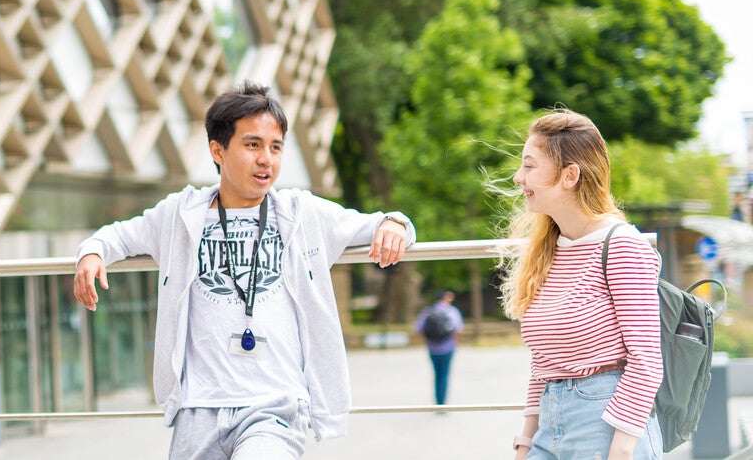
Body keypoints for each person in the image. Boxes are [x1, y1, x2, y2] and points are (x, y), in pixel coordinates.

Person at [72, 82, 416, 459]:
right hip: (198, 407)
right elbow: (118, 236)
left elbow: (385, 223)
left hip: (274, 406)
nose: (266, 159)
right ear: (217, 150)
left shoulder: (300, 213)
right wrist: (92, 253)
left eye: (275, 147)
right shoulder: (181, 214)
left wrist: (394, 224)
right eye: (253, 145)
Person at [500, 109, 664, 459]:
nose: (518, 177)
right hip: (550, 425)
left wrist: (621, 450)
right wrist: (526, 444)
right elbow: (543, 364)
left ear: (569, 175)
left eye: (529, 166)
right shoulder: (548, 251)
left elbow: (646, 360)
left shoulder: (622, 246)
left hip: (605, 424)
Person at [414, 290, 464, 406]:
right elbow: (458, 330)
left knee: (436, 373)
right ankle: (442, 401)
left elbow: (419, 330)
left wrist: (427, 341)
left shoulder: (427, 312)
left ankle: (437, 400)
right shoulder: (452, 311)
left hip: (432, 349)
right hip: (448, 348)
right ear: (446, 298)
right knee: (445, 373)